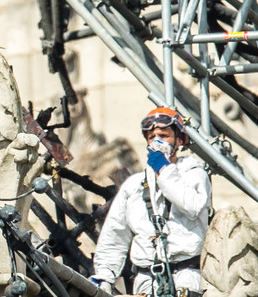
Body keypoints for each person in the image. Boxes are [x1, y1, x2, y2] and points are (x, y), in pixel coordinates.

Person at [91, 108, 212, 297]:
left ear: (179, 140)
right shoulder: (134, 185)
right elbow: (115, 236)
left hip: (186, 279)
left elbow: (193, 206)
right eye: (151, 137)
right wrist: (104, 278)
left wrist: (164, 170)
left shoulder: (194, 174)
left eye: (164, 135)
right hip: (146, 282)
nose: (157, 141)